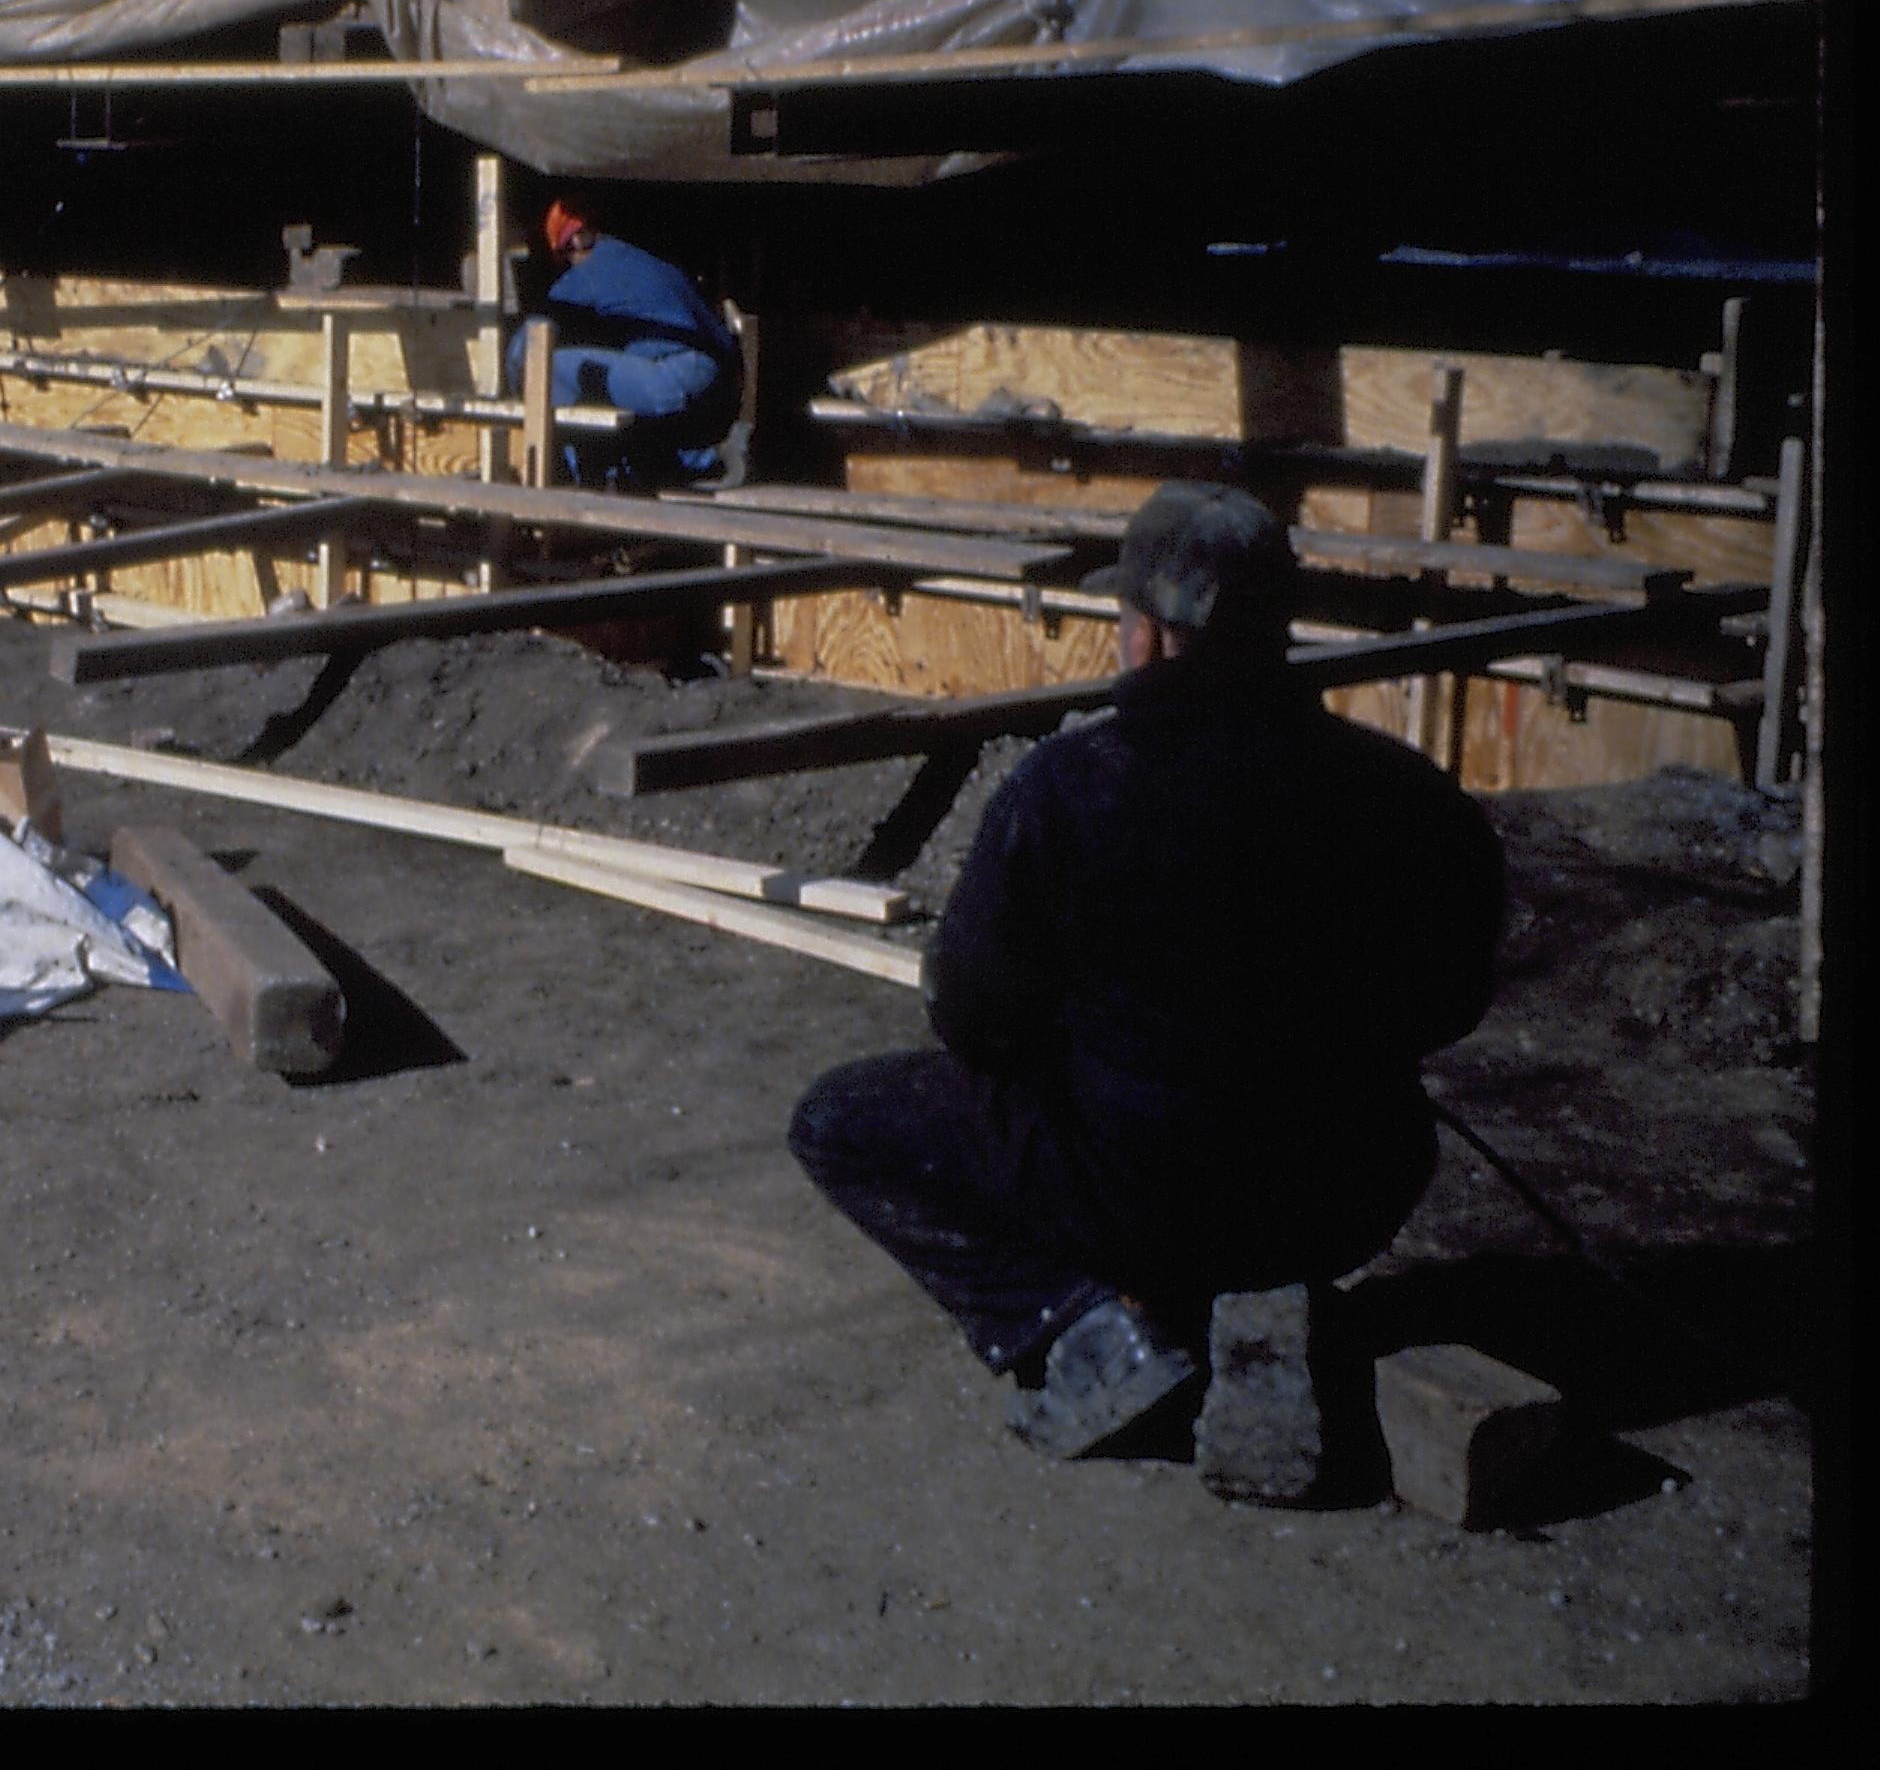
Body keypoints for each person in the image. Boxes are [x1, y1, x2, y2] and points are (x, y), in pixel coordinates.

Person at [785, 482, 1504, 1503]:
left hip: (1135, 1198)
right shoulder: (1410, 795)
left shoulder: (1069, 791)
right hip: (1345, 1193)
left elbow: (970, 1014)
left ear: (1152, 637)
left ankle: (1089, 1331)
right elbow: (1450, 1004)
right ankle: (1256, 1307)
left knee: (839, 1122)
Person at [504, 191, 740, 490]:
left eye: (565, 256)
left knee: (552, 367)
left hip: (675, 377)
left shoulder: (591, 269)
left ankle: (584, 481)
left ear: (575, 241)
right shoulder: (650, 261)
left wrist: (514, 396)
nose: (568, 266)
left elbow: (527, 346)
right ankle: (688, 462)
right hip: (715, 389)